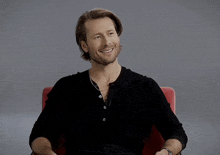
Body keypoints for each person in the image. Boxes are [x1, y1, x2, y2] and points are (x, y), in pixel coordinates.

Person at [29, 8, 187, 155]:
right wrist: (48, 153)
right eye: (97, 37)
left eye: (111, 34)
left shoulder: (145, 86)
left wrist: (167, 152)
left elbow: (176, 133)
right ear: (84, 46)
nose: (107, 42)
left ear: (117, 37)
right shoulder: (67, 87)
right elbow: (39, 136)